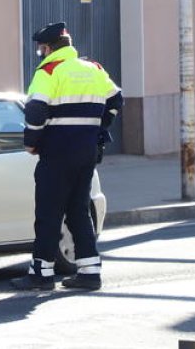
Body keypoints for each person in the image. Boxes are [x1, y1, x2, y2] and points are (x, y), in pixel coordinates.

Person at [10, 22, 122, 292]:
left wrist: (31, 143)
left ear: (48, 48)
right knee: (78, 211)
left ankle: (41, 273)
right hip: (86, 153)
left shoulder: (49, 70)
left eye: (41, 49)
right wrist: (97, 126)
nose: (41, 53)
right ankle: (90, 272)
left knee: (49, 212)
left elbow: (35, 111)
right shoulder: (93, 68)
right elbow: (117, 100)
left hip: (57, 153)